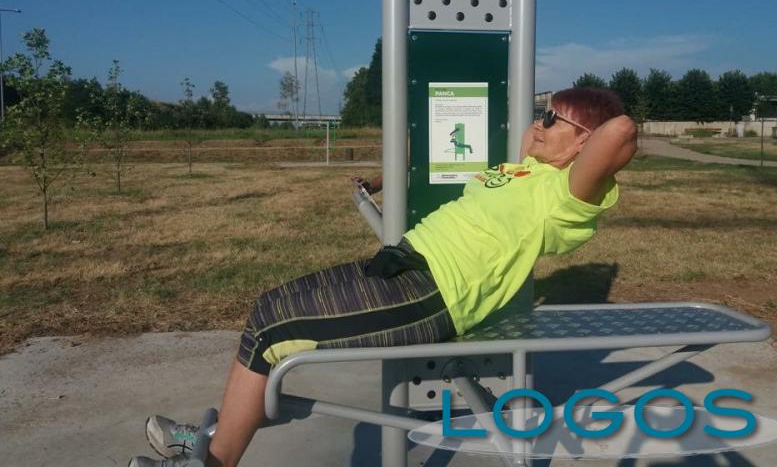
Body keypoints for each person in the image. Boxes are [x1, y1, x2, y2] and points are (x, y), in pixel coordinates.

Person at [129, 87, 637, 467]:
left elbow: (621, 132)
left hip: (433, 294)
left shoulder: (567, 199)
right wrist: (553, 120)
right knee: (267, 309)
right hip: (404, 264)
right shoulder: (526, 170)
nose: (540, 123)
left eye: (553, 118)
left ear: (583, 142)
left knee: (272, 333)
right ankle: (216, 443)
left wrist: (591, 115)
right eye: (541, 113)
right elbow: (536, 140)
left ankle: (214, 460)